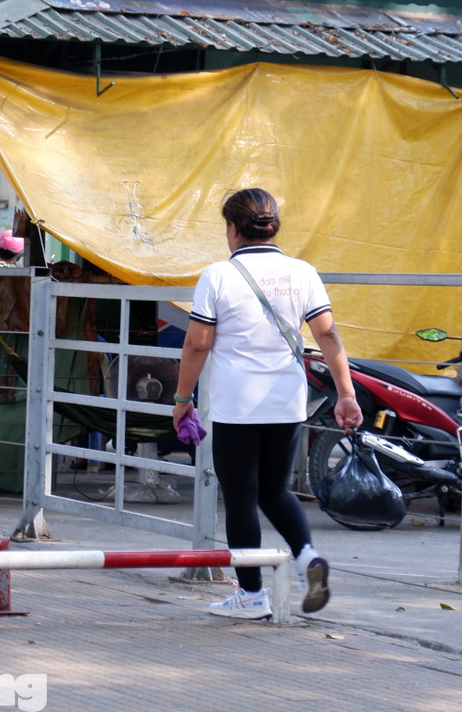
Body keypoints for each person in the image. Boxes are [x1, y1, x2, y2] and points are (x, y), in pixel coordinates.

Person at [170, 188, 361, 620]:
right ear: (273, 226)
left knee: (240, 497)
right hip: (288, 400)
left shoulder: (217, 275)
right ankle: (307, 557)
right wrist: (346, 394)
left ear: (232, 228)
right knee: (275, 490)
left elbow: (199, 343)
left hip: (237, 402)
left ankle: (252, 595)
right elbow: (327, 336)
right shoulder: (302, 272)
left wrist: (183, 399)